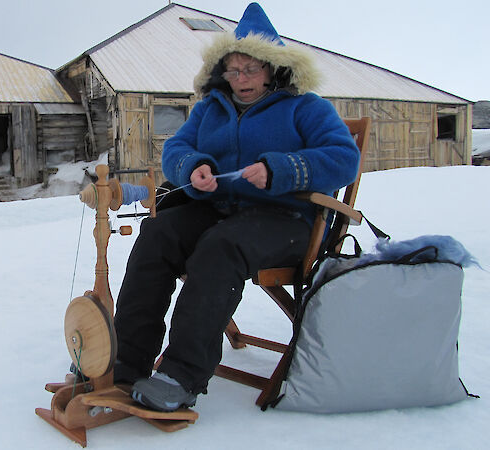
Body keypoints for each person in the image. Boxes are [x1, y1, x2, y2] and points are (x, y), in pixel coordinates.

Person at [112, 3, 362, 412]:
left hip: (288, 220)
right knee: (157, 233)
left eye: (251, 69)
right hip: (221, 210)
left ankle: (181, 374)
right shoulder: (211, 108)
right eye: (233, 70)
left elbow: (342, 158)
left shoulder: (306, 106)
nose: (241, 79)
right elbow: (176, 149)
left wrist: (280, 170)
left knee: (219, 246)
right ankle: (124, 361)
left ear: (273, 68)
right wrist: (194, 168)